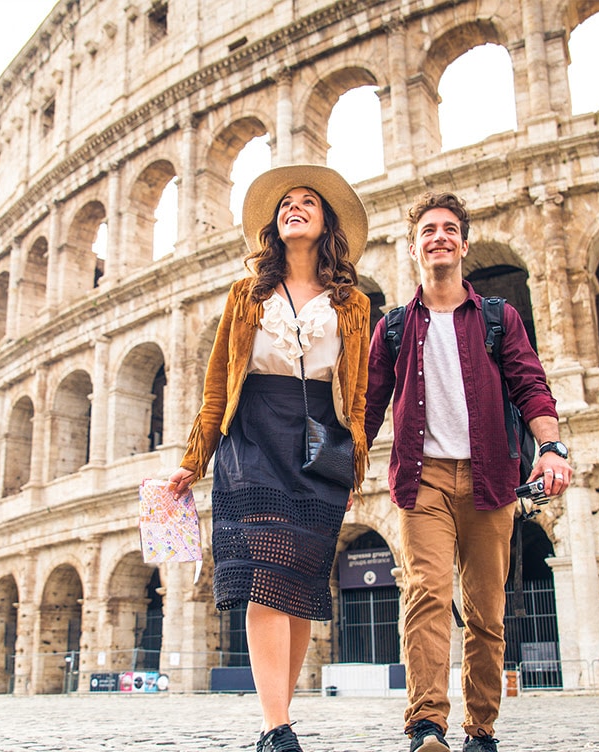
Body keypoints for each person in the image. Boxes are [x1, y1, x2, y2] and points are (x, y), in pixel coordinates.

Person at [168, 164, 371, 752]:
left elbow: (355, 393)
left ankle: (281, 714)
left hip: (318, 440)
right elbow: (216, 385)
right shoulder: (246, 294)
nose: (294, 207)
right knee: (264, 577)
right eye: (285, 203)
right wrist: (193, 458)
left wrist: (352, 463)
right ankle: (275, 726)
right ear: (273, 225)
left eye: (308, 202)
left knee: (300, 581)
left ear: (326, 222)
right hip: (252, 436)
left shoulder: (352, 304)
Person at [364, 192, 573, 752]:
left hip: (491, 480)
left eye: (450, 229)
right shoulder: (391, 328)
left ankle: (481, 729)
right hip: (422, 477)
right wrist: (334, 464)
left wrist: (553, 450)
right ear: (414, 248)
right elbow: (365, 409)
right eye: (428, 229)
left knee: (486, 612)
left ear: (463, 243)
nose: (439, 237)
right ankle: (426, 724)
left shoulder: (499, 319)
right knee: (425, 594)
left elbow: (532, 386)